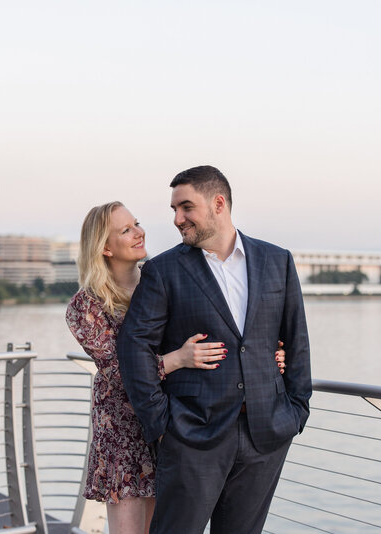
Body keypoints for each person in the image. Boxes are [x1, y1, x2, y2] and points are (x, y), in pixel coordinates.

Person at [65, 201, 287, 534]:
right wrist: (177, 359)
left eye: (136, 223)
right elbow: (118, 372)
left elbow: (213, 333)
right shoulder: (85, 306)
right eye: (126, 230)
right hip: (123, 430)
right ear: (105, 248)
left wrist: (266, 359)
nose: (139, 232)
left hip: (170, 422)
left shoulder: (161, 277)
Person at [117, 166, 312, 534]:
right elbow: (134, 348)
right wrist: (161, 423)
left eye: (186, 207)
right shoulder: (163, 270)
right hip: (191, 435)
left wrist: (296, 409)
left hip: (266, 434)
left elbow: (296, 340)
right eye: (174, 209)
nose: (177, 219)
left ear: (218, 203)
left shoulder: (277, 261)